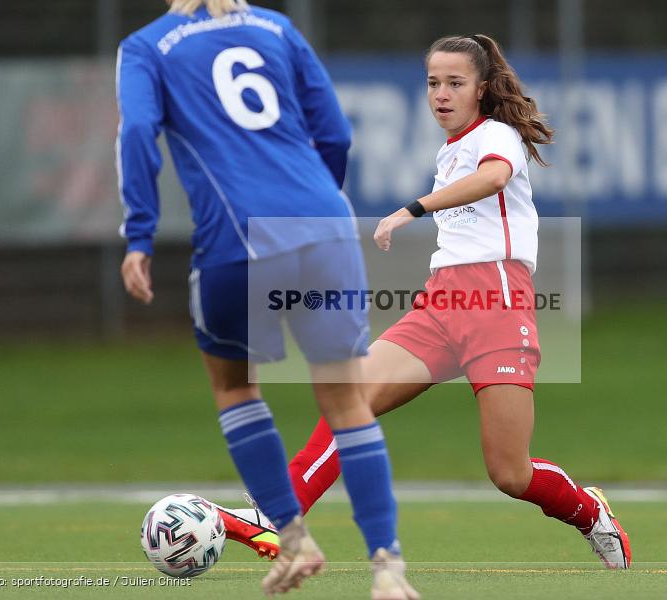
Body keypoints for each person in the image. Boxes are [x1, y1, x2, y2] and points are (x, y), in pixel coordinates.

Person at [224, 33, 631, 569]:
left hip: (498, 306)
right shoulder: (450, 150)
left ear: (482, 89)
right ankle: (275, 517)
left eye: (455, 83)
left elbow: (494, 177)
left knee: (510, 473)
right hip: (441, 304)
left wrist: (411, 209)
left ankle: (588, 509)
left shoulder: (498, 135)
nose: (441, 93)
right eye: (433, 83)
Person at [116, 1, 418, 598]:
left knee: (234, 386)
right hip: (325, 224)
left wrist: (139, 235)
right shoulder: (277, 26)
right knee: (345, 400)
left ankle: (294, 539)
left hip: (238, 235)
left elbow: (136, 132)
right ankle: (388, 569)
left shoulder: (147, 47)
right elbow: (335, 131)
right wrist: (314, 206)